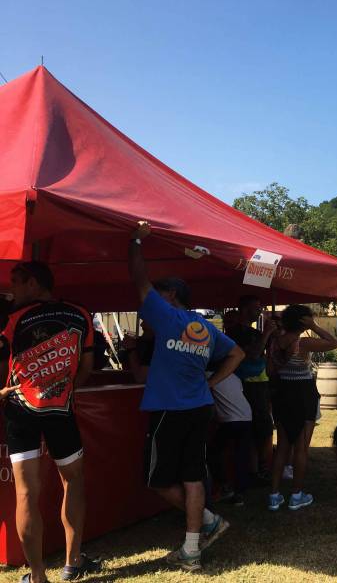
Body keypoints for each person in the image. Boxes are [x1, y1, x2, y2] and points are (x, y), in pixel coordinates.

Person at [129, 221, 245, 571]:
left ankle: (208, 520)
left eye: (160, 292)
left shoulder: (167, 317)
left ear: (171, 296)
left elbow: (139, 279)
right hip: (199, 407)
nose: (153, 297)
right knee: (192, 476)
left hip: (170, 409)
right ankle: (192, 549)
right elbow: (237, 353)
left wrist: (136, 241)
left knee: (158, 480)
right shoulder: (205, 328)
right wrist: (212, 383)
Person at [0, 261, 102, 583]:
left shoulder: (11, 319)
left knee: (26, 494)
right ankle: (73, 563)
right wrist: (65, 389)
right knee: (73, 482)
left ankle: (38, 577)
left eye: (16, 281)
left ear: (34, 284)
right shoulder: (80, 314)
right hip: (61, 409)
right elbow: (86, 367)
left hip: (20, 410)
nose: (11, 288)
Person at [268, 305, 337, 511]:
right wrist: (314, 326)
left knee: (282, 446)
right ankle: (296, 495)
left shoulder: (275, 342)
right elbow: (333, 343)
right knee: (301, 448)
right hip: (303, 394)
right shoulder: (304, 343)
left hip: (282, 393)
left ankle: (274, 495)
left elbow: (270, 370)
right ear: (303, 321)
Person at [226, 297, 275, 480]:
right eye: (256, 308)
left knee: (262, 428)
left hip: (260, 384)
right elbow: (253, 354)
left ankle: (259, 468)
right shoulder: (236, 332)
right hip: (247, 384)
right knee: (256, 428)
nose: (260, 311)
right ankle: (256, 470)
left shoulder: (254, 332)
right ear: (244, 309)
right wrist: (267, 333)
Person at [207, 366, 252, 507]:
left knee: (212, 452)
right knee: (241, 455)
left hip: (230, 419)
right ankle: (240, 493)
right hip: (246, 416)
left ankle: (225, 487)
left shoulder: (207, 375)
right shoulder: (233, 375)